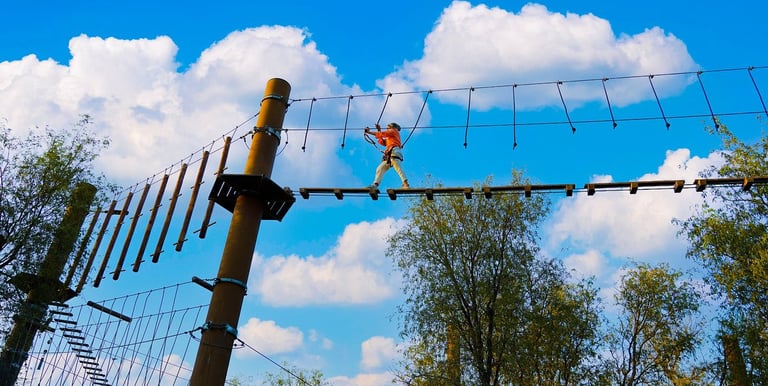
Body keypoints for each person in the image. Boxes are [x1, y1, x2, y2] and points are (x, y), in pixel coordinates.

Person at [365, 122, 409, 189]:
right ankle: (375, 184)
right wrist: (379, 130)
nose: (387, 129)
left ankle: (405, 184)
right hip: (390, 154)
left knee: (397, 166)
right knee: (380, 168)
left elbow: (383, 134)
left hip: (394, 151)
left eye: (387, 128)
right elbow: (382, 141)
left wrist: (369, 132)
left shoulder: (394, 131)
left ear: (391, 127)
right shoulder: (390, 137)